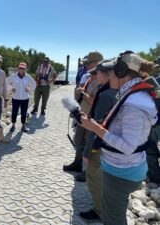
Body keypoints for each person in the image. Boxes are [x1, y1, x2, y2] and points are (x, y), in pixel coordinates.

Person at [80, 52, 156, 225]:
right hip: (123, 169)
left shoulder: (134, 104)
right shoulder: (132, 96)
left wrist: (95, 128)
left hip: (121, 173)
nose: (109, 75)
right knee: (115, 214)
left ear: (121, 73)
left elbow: (128, 146)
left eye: (111, 71)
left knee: (112, 219)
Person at [79, 61, 118, 221]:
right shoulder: (117, 91)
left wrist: (87, 151)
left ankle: (99, 211)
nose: (94, 76)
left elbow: (96, 126)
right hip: (111, 144)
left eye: (97, 73)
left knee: (94, 177)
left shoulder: (104, 94)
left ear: (108, 74)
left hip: (99, 144)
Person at [63, 51, 103, 182]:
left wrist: (82, 93)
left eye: (88, 63)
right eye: (85, 63)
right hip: (83, 115)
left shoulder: (100, 79)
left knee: (88, 144)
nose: (85, 65)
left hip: (91, 118)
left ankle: (87, 172)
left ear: (97, 63)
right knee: (79, 140)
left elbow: (94, 100)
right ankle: (77, 163)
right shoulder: (89, 77)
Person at [7, 62, 36, 133]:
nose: (21, 69)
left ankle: (23, 126)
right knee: (14, 112)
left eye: (23, 68)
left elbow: (34, 84)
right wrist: (11, 88)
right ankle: (13, 125)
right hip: (15, 98)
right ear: (18, 69)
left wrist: (29, 90)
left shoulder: (28, 77)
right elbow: (6, 82)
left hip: (25, 98)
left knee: (24, 112)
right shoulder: (13, 76)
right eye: (20, 68)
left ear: (25, 69)